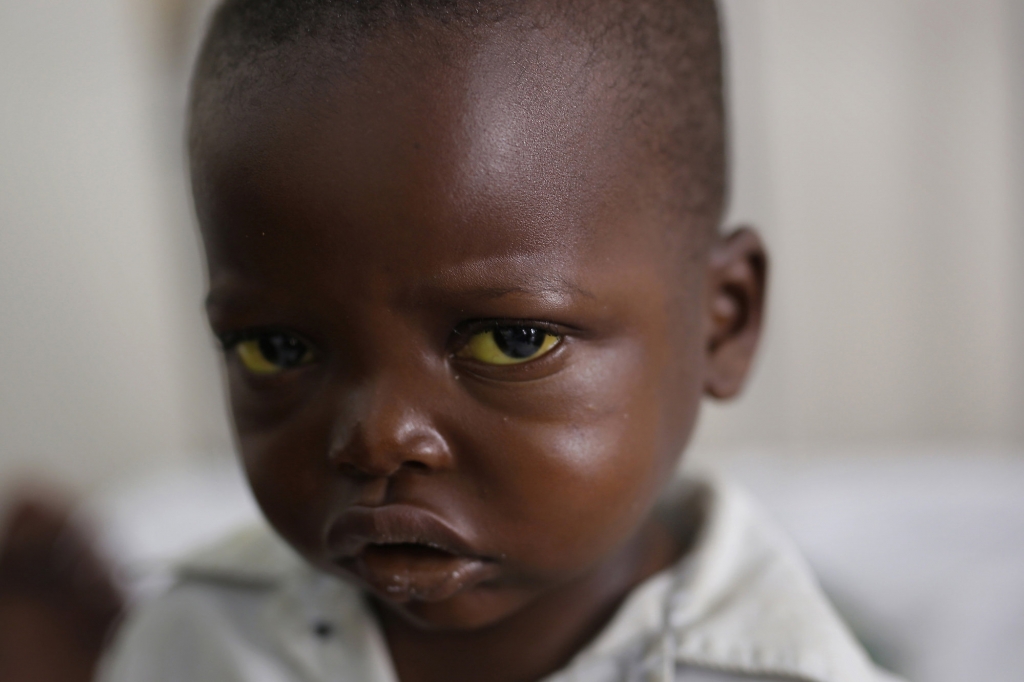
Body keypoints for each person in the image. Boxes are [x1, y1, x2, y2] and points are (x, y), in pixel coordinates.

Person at [2, 0, 903, 680]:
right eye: (276, 349)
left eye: (511, 340)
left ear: (723, 321)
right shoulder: (199, 640)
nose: (376, 435)